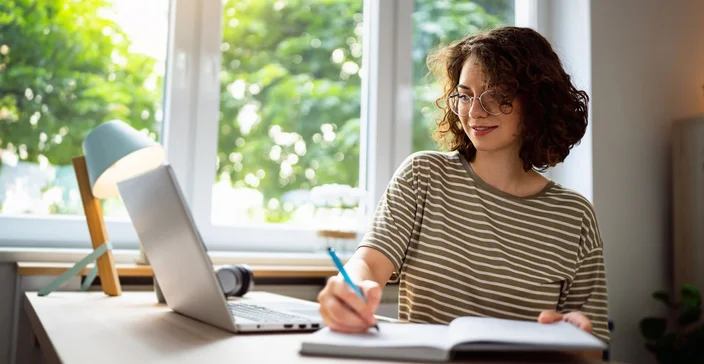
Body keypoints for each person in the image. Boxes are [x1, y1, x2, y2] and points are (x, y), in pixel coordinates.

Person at [316, 26, 610, 355]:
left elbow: (592, 346)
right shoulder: (423, 176)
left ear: (537, 102)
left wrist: (575, 337)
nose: (474, 112)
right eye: (465, 95)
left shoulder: (574, 217)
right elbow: (369, 263)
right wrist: (351, 286)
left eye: (497, 97)